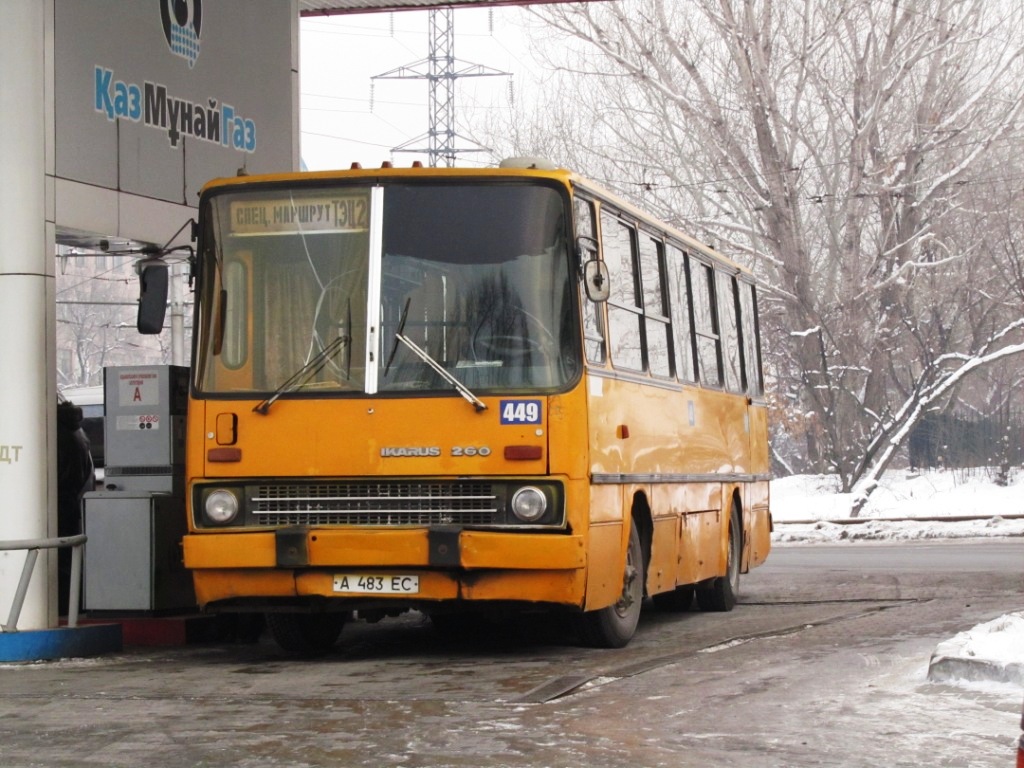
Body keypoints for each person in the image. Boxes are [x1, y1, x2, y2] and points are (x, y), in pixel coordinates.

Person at [56, 399, 94, 615]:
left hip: (55, 504)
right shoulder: (75, 431)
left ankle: (62, 608)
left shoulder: (50, 432)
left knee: (56, 560)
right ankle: (68, 607)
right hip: (68, 502)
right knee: (66, 559)